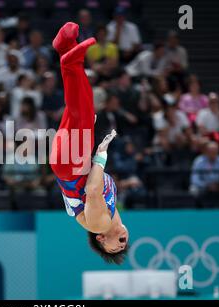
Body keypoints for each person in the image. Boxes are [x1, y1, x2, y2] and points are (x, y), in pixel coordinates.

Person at [50, 22, 129, 264]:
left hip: (72, 167)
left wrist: (101, 154)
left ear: (101, 239)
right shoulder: (111, 210)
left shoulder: (99, 223)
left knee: (83, 111)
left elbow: (93, 189)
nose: (124, 241)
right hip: (69, 163)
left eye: (117, 246)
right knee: (82, 107)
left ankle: (68, 61)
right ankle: (65, 47)